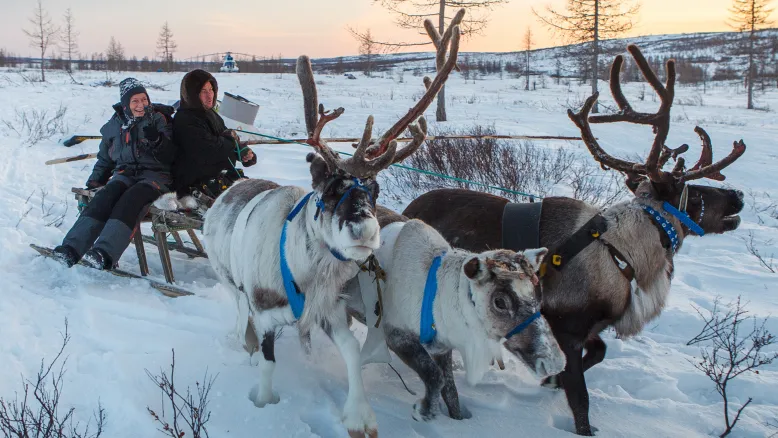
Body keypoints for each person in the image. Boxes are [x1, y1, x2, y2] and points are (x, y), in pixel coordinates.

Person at [52, 78, 176, 270]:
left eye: (144, 99)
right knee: (105, 197)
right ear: (126, 104)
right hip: (125, 174)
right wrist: (95, 180)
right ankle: (71, 249)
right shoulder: (115, 125)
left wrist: (157, 140)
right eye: (135, 101)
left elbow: (172, 155)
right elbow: (105, 158)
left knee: (131, 199)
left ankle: (104, 253)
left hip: (155, 177)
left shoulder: (159, 119)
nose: (141, 105)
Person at [172, 69, 256, 200]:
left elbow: (226, 137)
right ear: (192, 94)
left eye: (211, 90)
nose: (209, 95)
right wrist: (230, 140)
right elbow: (211, 150)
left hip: (222, 178)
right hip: (197, 185)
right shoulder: (185, 119)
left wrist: (242, 152)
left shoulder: (211, 114)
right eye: (203, 91)